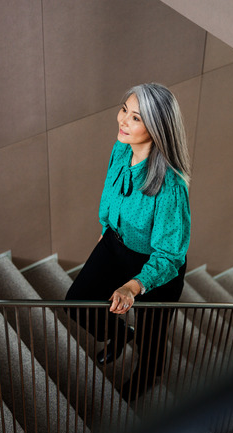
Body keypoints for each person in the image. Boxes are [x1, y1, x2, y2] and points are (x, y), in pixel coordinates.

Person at [65, 82, 191, 401]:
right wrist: (106, 225)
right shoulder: (122, 147)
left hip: (153, 267)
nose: (123, 121)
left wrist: (133, 287)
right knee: (77, 302)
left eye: (136, 118)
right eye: (124, 111)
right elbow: (110, 186)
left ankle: (146, 377)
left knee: (151, 339)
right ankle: (122, 335)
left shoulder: (170, 186)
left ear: (157, 127)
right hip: (115, 242)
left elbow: (170, 256)